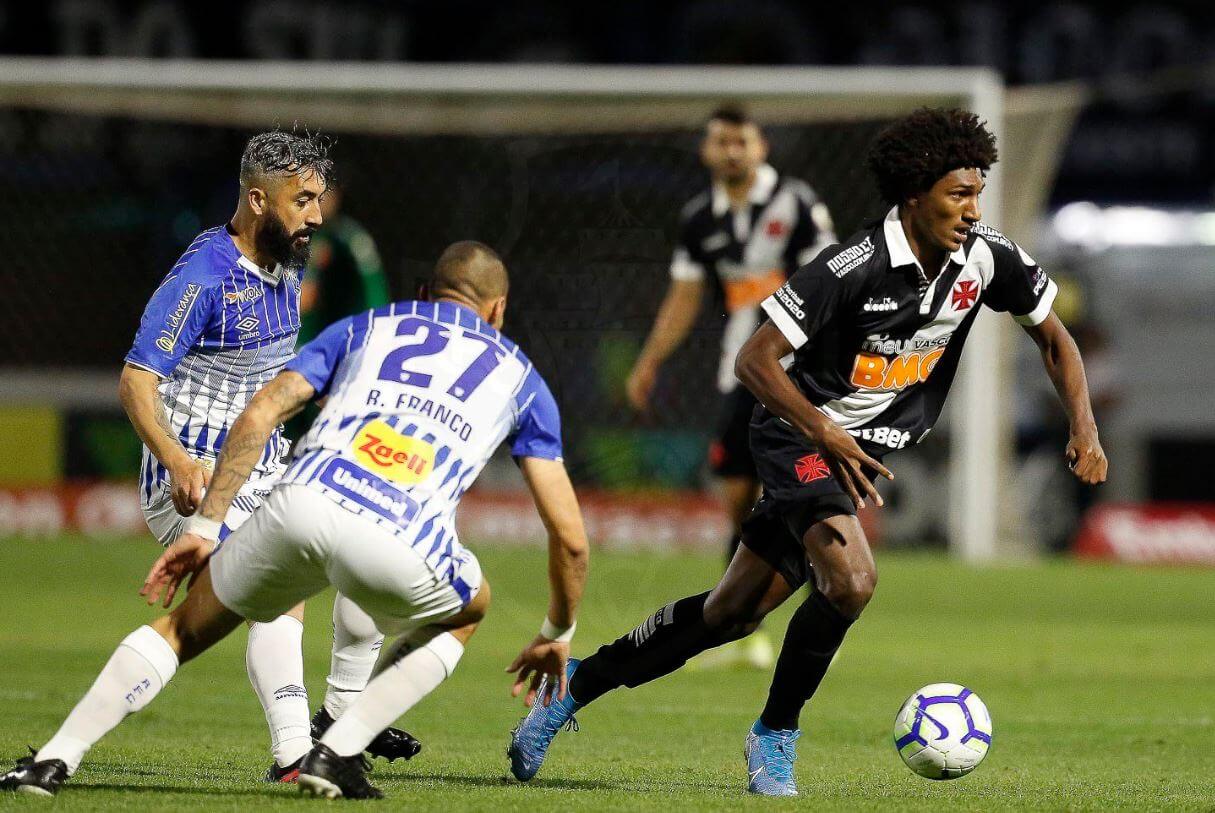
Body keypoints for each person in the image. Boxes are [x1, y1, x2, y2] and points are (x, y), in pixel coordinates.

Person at [508, 107, 1108, 796]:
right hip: (796, 434)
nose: (973, 210)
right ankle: (774, 733)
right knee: (851, 581)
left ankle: (574, 686)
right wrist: (822, 430)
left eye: (977, 194)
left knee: (729, 614)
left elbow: (1054, 338)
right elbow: (754, 360)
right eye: (958, 194)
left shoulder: (987, 257)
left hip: (850, 453)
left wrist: (1084, 427)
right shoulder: (853, 265)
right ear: (914, 194)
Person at [1, 241, 589, 800]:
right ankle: (338, 748)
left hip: (301, 502)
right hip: (401, 534)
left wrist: (206, 527)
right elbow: (569, 539)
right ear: (498, 310)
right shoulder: (523, 381)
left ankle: (53, 758)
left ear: (425, 293)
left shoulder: (365, 327)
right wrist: (556, 635)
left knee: (182, 630)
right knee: (470, 605)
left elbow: (262, 411)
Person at [113, 130, 416, 783]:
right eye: (303, 199)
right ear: (257, 200)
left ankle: (335, 721)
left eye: (319, 198)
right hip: (195, 469)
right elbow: (136, 380)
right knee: (277, 593)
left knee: (362, 552)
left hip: (264, 463)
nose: (317, 214)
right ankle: (299, 751)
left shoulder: (291, 260)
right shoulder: (203, 275)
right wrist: (174, 458)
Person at [625, 103, 835, 669]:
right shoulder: (700, 218)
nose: (732, 151)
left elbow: (831, 280)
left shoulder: (797, 202)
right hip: (741, 371)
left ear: (761, 147)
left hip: (798, 369)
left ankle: (818, 611)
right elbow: (684, 295)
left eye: (742, 141)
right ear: (706, 151)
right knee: (739, 495)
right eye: (722, 141)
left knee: (796, 492)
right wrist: (649, 359)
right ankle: (745, 625)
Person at [286, 185, 391, 441]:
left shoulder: (348, 239)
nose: (317, 203)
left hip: (336, 338)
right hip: (300, 337)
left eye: (323, 196)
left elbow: (372, 287)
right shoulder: (295, 235)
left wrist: (374, 330)